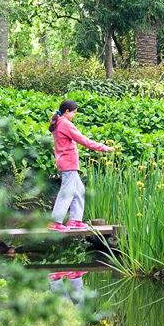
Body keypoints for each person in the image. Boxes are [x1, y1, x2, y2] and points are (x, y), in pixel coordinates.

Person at [48, 99, 114, 232]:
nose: (74, 116)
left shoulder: (58, 122)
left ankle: (75, 220)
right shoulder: (65, 124)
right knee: (67, 192)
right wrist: (103, 148)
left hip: (66, 162)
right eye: (73, 113)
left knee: (79, 191)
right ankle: (55, 222)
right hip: (68, 163)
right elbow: (83, 140)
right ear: (67, 111)